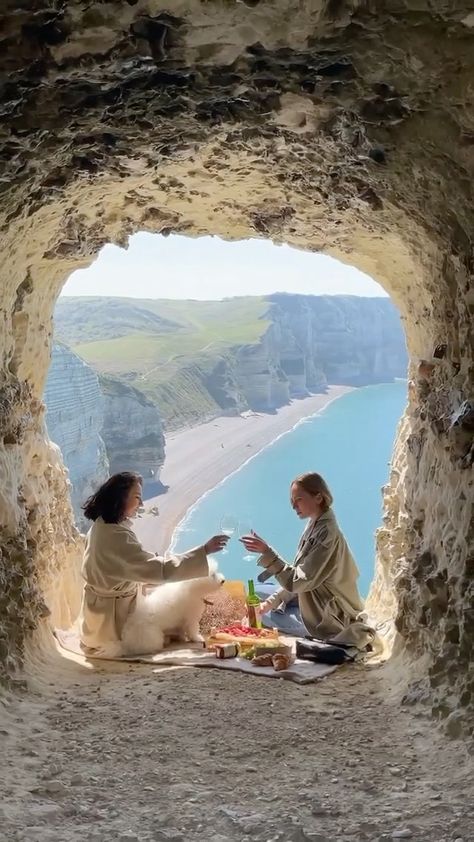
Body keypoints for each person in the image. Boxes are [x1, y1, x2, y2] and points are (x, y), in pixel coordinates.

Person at [79, 471, 229, 655]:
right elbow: (160, 570)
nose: (141, 504)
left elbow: (130, 568)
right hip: (113, 627)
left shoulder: (100, 525)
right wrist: (203, 551)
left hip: (95, 621)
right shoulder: (115, 537)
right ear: (120, 498)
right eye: (137, 497)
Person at [239, 472, 367, 643]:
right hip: (310, 596)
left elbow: (298, 581)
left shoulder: (327, 535)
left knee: (261, 617)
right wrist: (269, 603)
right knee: (252, 593)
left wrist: (267, 553)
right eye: (292, 501)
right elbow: (300, 575)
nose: (293, 506)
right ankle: (273, 608)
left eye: (298, 499)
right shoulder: (315, 523)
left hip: (328, 616)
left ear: (319, 498)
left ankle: (285, 618)